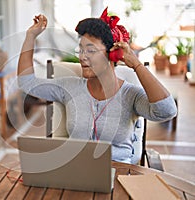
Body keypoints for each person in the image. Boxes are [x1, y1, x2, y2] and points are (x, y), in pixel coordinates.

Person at [17, 9, 177, 164]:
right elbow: (27, 83)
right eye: (80, 50)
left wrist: (136, 64)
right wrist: (30, 36)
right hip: (76, 172)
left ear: (113, 53)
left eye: (90, 50)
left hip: (118, 174)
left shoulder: (130, 95)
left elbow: (167, 111)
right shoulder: (69, 87)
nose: (82, 57)